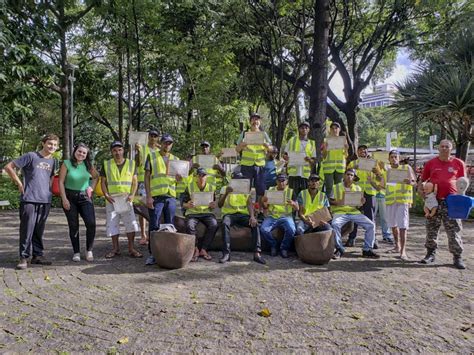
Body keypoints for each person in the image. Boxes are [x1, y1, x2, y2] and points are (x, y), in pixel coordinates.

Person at [5, 134, 59, 270]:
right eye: (50, 144)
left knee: (39, 229)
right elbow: (9, 167)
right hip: (29, 198)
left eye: (55, 145)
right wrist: (19, 183)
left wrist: (48, 191)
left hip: (45, 200)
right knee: (27, 229)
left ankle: (37, 256)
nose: (52, 147)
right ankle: (24, 257)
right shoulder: (31, 156)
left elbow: (51, 177)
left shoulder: (53, 161)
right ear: (43, 143)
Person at [418, 139, 466, 269]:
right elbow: (422, 180)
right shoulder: (431, 163)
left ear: (451, 149)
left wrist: (462, 198)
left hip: (452, 201)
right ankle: (430, 254)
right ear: (438, 148)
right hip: (434, 200)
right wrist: (421, 192)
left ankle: (457, 257)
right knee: (431, 228)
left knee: (454, 229)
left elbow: (463, 182)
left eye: (447, 147)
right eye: (442, 146)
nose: (444, 148)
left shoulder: (458, 163)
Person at [144, 133, 182, 265]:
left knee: (170, 225)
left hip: (170, 195)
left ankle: (167, 253)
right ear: (161, 143)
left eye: (170, 143)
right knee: (154, 225)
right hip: (156, 196)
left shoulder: (176, 159)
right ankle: (152, 254)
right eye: (165, 142)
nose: (167, 145)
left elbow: (179, 181)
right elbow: (147, 177)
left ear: (172, 145)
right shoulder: (152, 156)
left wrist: (179, 180)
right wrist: (148, 196)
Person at [101, 141, 142, 259]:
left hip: (126, 198)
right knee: (112, 224)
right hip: (112, 199)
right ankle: (115, 249)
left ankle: (131, 248)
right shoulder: (107, 164)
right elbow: (103, 182)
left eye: (119, 150)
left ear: (123, 150)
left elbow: (135, 182)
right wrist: (106, 194)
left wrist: (132, 195)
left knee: (130, 223)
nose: (117, 152)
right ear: (111, 152)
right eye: (114, 150)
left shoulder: (131, 164)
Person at [59, 143, 99, 262]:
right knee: (73, 225)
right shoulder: (67, 163)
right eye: (79, 151)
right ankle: (76, 252)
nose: (81, 154)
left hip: (85, 197)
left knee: (91, 223)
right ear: (75, 151)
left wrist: (91, 187)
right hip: (70, 196)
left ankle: (89, 250)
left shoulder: (88, 165)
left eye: (84, 153)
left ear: (86, 155)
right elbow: (61, 182)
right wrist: (64, 198)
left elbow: (96, 177)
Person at [330, 169, 379, 259]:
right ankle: (339, 249)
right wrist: (338, 202)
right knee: (335, 224)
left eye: (352, 175)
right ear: (344, 175)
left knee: (371, 225)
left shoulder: (358, 188)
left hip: (354, 212)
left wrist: (362, 202)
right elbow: (330, 201)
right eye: (348, 174)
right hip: (340, 211)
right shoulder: (335, 187)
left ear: (354, 177)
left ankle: (367, 249)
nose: (349, 177)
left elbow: (358, 206)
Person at [217, 172, 266, 264]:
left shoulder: (245, 189)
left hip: (243, 214)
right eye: (236, 179)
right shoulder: (224, 188)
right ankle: (226, 253)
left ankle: (257, 253)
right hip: (229, 214)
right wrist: (226, 193)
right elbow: (219, 205)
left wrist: (252, 216)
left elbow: (249, 203)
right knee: (224, 224)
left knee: (255, 224)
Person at [381, 150, 416, 260]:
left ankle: (403, 251)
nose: (394, 158)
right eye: (392, 157)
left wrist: (409, 182)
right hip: (390, 201)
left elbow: (414, 183)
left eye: (396, 156)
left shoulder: (406, 168)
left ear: (399, 158)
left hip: (402, 200)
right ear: (389, 159)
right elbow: (382, 185)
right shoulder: (387, 171)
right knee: (393, 225)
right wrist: (377, 174)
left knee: (403, 226)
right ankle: (397, 246)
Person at [346, 145, 381, 248]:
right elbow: (347, 177)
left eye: (365, 150)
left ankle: (372, 240)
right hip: (356, 192)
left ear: (367, 152)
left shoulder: (374, 163)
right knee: (354, 216)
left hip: (370, 193)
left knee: (370, 217)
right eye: (361, 150)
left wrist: (376, 173)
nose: (363, 151)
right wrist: (353, 169)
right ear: (358, 152)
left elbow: (380, 179)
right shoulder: (353, 163)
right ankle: (351, 238)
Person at [182, 168, 218, 262]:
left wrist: (213, 205)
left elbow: (213, 205)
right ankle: (195, 249)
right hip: (193, 213)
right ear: (196, 177)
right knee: (189, 225)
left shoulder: (211, 188)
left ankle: (204, 249)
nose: (202, 177)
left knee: (214, 224)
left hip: (207, 213)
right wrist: (188, 205)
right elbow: (183, 203)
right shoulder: (189, 186)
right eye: (200, 175)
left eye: (204, 175)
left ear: (207, 177)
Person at [235, 113, 272, 200]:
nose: (255, 122)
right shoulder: (244, 133)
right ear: (250, 121)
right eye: (253, 119)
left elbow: (271, 149)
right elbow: (237, 149)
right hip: (246, 165)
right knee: (245, 188)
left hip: (260, 166)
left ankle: (259, 210)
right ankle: (246, 209)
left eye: (257, 119)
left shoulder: (264, 134)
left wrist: (267, 146)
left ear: (260, 122)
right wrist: (241, 145)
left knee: (261, 190)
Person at [260, 173, 299, 258]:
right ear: (276, 181)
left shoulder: (291, 191)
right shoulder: (270, 190)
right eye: (279, 180)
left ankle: (284, 248)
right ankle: (274, 245)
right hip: (272, 216)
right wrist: (263, 202)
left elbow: (297, 208)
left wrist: (293, 204)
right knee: (263, 229)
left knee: (292, 230)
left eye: (283, 180)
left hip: (286, 216)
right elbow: (265, 207)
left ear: (287, 181)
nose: (281, 183)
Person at [135, 128, 161, 245]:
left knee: (155, 208)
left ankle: (153, 234)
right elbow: (137, 163)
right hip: (142, 181)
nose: (153, 138)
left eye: (155, 136)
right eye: (151, 135)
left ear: (158, 137)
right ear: (148, 136)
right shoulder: (142, 148)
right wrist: (137, 152)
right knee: (143, 209)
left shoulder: (161, 150)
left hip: (156, 183)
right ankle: (143, 235)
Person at [283, 121, 317, 197]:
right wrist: (286, 157)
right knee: (293, 195)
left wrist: (309, 160)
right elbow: (285, 155)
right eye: (302, 128)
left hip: (305, 175)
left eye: (306, 128)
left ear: (309, 130)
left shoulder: (312, 143)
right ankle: (294, 209)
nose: (304, 129)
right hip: (293, 173)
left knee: (304, 196)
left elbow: (313, 161)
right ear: (299, 129)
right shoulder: (292, 140)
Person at [321, 121, 347, 199]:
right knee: (329, 188)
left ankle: (338, 207)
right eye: (332, 128)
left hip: (340, 168)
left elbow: (346, 155)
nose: (334, 130)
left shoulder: (343, 140)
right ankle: (329, 207)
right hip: (329, 169)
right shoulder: (326, 140)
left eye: (336, 128)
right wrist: (325, 149)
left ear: (339, 129)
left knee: (339, 188)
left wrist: (346, 148)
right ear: (330, 130)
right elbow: (324, 156)